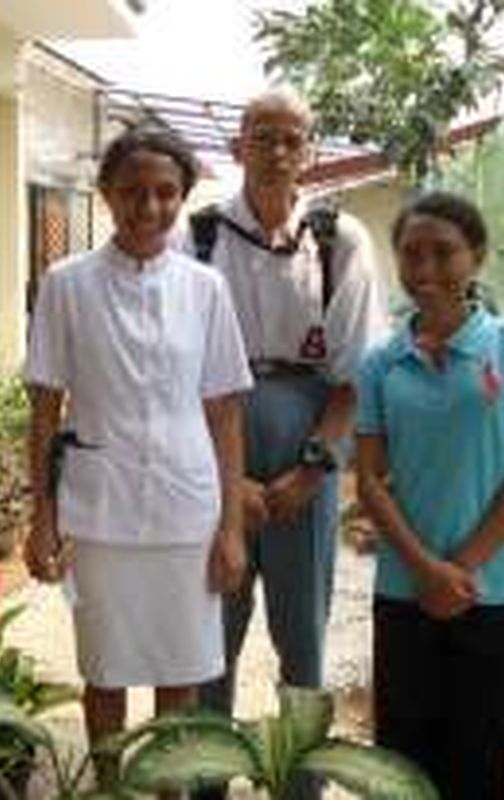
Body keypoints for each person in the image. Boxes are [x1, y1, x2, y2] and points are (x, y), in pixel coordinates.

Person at [23, 125, 252, 791]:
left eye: (165, 193)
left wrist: (233, 526)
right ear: (105, 194)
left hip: (188, 507)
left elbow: (225, 413)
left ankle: (168, 787)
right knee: (105, 671)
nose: (148, 208)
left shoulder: (205, 288)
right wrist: (43, 518)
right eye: (132, 192)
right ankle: (112, 786)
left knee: (180, 670)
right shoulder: (66, 284)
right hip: (98, 509)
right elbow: (44, 410)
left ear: (183, 196)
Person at [191, 91, 387, 800]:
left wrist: (311, 471)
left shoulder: (340, 240)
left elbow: (353, 376)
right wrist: (228, 483)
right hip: (215, 441)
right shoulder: (201, 236)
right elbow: (181, 370)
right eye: (262, 136)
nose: (277, 152)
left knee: (303, 635)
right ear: (238, 145)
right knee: (212, 630)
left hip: (310, 439)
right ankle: (205, 779)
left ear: (310, 151)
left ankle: (301, 786)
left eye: (291, 139)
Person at [356, 191, 504, 799]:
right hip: (405, 588)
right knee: (402, 755)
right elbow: (368, 478)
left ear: (477, 256)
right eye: (411, 255)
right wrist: (426, 571)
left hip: (498, 588)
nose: (425, 271)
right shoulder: (380, 363)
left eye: (443, 253)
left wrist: (461, 569)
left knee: (484, 754)